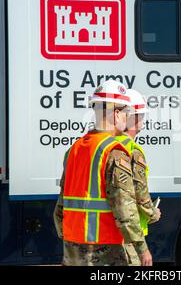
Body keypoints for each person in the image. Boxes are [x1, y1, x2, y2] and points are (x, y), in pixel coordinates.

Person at [53, 80, 152, 266]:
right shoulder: (114, 152)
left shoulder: (74, 149)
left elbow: (60, 208)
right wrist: (142, 249)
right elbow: (125, 208)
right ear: (116, 114)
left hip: (72, 248)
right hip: (104, 249)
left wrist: (70, 241)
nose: (126, 117)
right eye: (126, 113)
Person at [115, 89, 161, 265]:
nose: (143, 120)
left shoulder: (108, 145)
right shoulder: (133, 150)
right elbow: (139, 196)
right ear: (132, 117)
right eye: (141, 115)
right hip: (130, 235)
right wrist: (153, 213)